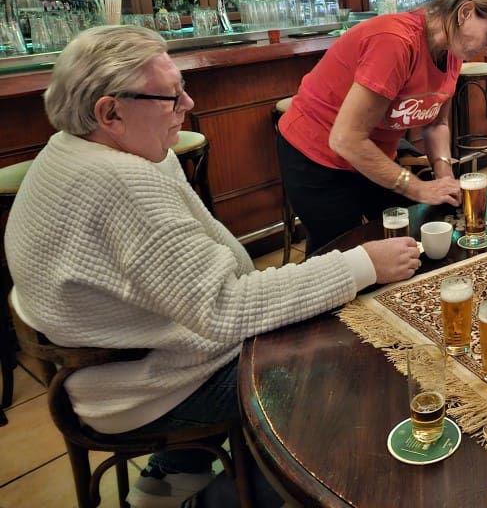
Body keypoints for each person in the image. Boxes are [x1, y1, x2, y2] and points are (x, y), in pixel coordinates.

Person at [5, 25, 424, 508]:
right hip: (140, 389)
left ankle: (173, 474)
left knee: (313, 322)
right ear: (110, 112)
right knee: (346, 367)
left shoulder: (74, 149)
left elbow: (202, 288)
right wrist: (360, 265)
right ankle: (233, 498)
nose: (188, 104)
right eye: (171, 96)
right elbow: (226, 308)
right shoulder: (118, 181)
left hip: (125, 360)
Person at [278, 0, 487, 254]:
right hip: (316, 154)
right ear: (465, 12)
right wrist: (418, 188)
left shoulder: (452, 48)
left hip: (372, 153)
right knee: (342, 257)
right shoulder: (395, 41)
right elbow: (346, 139)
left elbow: (436, 123)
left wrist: (444, 173)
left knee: (407, 238)